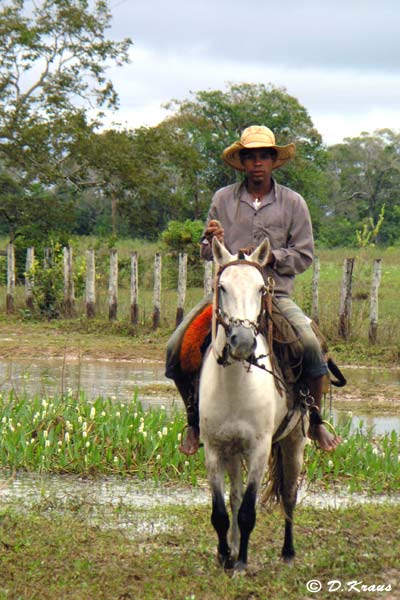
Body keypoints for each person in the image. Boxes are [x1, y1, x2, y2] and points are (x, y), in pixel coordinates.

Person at [166, 125, 341, 455]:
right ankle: (193, 420)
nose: (257, 163)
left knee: (310, 346)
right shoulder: (222, 199)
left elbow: (304, 254)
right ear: (242, 162)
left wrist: (273, 255)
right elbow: (208, 253)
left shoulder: (293, 203)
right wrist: (210, 239)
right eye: (251, 157)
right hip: (228, 295)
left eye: (264, 156)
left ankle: (315, 421)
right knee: (176, 347)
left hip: (274, 293)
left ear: (274, 161)